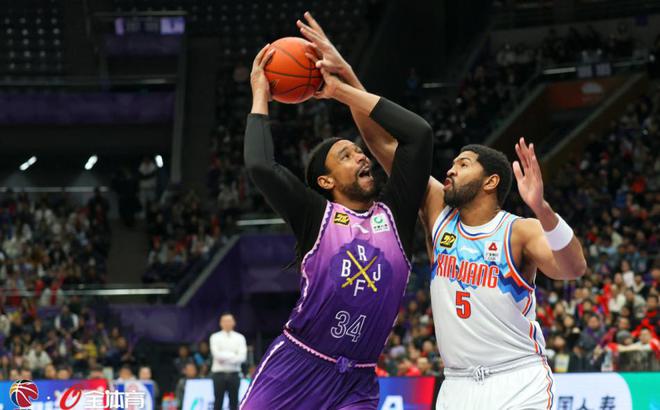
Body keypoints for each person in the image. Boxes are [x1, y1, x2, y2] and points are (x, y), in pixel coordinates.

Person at [297, 12, 586, 409]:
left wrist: (542, 209)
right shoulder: (438, 211)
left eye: (463, 164)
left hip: (517, 378)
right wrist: (345, 76)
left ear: (491, 182)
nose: (450, 169)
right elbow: (382, 143)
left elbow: (573, 268)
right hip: (457, 385)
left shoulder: (518, 230)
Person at [240, 29, 432, 409]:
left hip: (357, 381)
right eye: (346, 156)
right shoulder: (316, 215)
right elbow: (261, 166)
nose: (361, 156)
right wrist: (260, 93)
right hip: (296, 368)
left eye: (359, 152)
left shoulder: (394, 215)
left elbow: (419, 135)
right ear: (326, 181)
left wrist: (342, 91)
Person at [210, 313, 247, 410]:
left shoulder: (240, 337)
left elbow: (242, 357)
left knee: (234, 402)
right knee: (218, 402)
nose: (227, 323)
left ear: (234, 322)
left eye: (229, 321)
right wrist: (233, 355)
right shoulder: (215, 337)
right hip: (219, 375)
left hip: (234, 374)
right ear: (220, 323)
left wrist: (224, 356)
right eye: (225, 321)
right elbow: (217, 355)